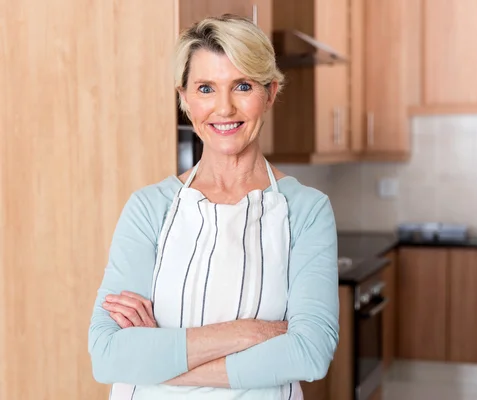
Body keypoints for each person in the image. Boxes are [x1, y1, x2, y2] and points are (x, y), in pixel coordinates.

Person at [87, 13, 339, 400]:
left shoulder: (306, 211)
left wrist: (159, 359)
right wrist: (249, 332)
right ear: (184, 97)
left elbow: (309, 353)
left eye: (242, 86)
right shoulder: (149, 208)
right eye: (205, 88)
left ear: (270, 93)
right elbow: (107, 356)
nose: (224, 109)